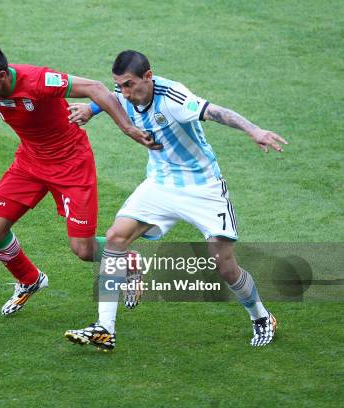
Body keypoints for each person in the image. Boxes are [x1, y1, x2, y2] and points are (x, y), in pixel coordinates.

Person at [64, 50, 288, 350]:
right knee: (116, 238)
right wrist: (92, 109)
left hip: (203, 188)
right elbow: (112, 97)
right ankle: (105, 327)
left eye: (130, 85)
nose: (125, 92)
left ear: (148, 76)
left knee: (224, 266)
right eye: (120, 85)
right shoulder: (124, 92)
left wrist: (254, 130)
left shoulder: (174, 98)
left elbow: (216, 112)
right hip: (160, 184)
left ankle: (261, 316)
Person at [0, 41, 160, 316]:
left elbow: (96, 88)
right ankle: (29, 280)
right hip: (29, 163)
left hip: (71, 165)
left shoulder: (38, 80)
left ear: (2, 76)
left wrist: (128, 128)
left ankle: (131, 261)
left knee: (83, 250)